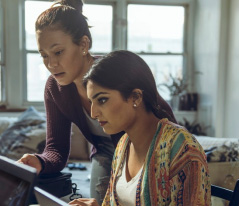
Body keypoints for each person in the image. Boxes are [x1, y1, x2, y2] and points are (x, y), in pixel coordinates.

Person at [18, 0, 176, 203]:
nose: (51, 64)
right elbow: (56, 149)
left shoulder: (114, 72)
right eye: (44, 55)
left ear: (83, 45)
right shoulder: (54, 89)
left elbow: (163, 117)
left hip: (145, 150)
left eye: (58, 52)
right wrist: (39, 161)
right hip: (104, 151)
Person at [69, 50, 211, 206]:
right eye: (91, 102)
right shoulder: (123, 145)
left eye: (102, 100)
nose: (93, 113)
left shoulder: (182, 149)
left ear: (135, 97)